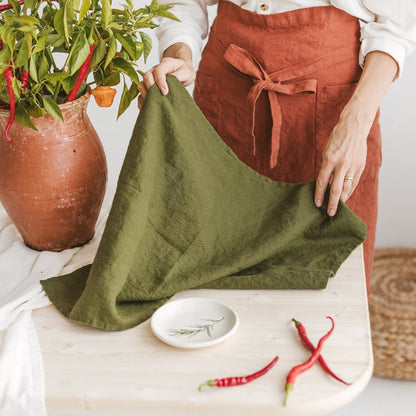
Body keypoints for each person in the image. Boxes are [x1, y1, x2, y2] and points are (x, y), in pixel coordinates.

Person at [136, 0, 416, 294]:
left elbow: (397, 22)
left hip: (333, 110)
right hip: (229, 97)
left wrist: (357, 122)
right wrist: (179, 53)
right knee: (215, 278)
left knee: (330, 291)